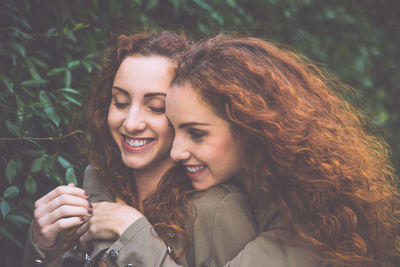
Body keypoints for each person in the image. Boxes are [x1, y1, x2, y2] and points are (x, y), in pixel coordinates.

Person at [22, 32, 256, 267]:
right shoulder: (99, 178)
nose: (131, 123)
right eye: (120, 102)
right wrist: (43, 245)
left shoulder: (219, 209)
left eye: (156, 107)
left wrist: (134, 231)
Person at [165, 34, 400, 266]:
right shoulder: (241, 186)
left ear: (249, 125)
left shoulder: (309, 211)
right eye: (173, 131)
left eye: (196, 134)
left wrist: (133, 229)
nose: (176, 152)